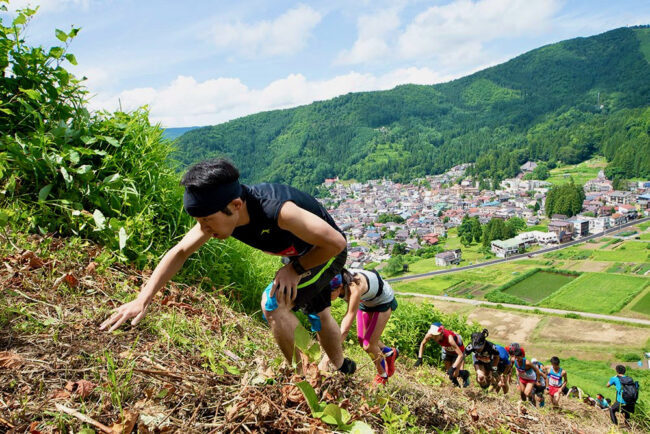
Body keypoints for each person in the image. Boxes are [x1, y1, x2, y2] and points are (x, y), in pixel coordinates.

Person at [100, 158, 356, 375]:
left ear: (235, 206)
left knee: (273, 304)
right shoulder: (220, 212)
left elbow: (335, 242)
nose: (204, 229)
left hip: (324, 252)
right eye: (199, 221)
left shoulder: (279, 211)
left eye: (207, 221)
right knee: (319, 312)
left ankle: (299, 377)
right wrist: (142, 300)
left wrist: (296, 269)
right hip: (297, 253)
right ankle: (343, 368)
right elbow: (180, 251)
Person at [320, 269, 398, 386]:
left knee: (369, 345)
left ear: (340, 287)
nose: (326, 296)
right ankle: (389, 352)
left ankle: (382, 376)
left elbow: (345, 329)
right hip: (365, 301)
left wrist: (326, 358)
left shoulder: (354, 289)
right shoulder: (336, 280)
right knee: (362, 340)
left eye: (328, 293)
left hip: (382, 301)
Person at [415, 323, 470, 387]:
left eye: (436, 336)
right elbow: (422, 343)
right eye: (433, 335)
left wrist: (453, 367)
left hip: (458, 352)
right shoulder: (430, 335)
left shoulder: (450, 339)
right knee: (448, 373)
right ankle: (456, 386)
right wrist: (419, 358)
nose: (433, 337)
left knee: (455, 373)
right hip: (447, 350)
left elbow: (460, 355)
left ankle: (465, 374)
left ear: (441, 334)